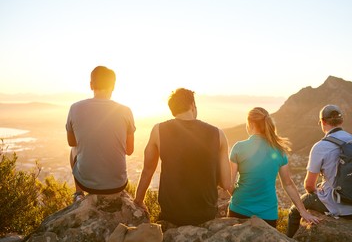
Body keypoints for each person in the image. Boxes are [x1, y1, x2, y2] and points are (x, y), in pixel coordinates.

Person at [134, 88, 231, 226]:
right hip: (205, 214)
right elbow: (226, 183)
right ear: (192, 105)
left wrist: (138, 200)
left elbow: (147, 171)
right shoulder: (218, 134)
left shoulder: (158, 130)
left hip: (171, 213)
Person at [228, 107, 319, 228]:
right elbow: (288, 184)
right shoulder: (279, 150)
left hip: (239, 209)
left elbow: (229, 184)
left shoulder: (238, 147)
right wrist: (303, 212)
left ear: (249, 124)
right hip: (267, 214)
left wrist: (237, 196)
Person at [286, 104, 352, 237]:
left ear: (322, 122)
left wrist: (318, 191)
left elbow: (309, 185)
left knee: (295, 210)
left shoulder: (321, 146)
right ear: (341, 121)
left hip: (335, 205)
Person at [66, 66, 136, 202]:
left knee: (73, 150)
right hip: (118, 185)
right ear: (113, 86)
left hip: (86, 184)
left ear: (91, 85)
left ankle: (79, 194)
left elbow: (72, 142)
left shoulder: (75, 108)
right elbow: (129, 150)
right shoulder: (126, 110)